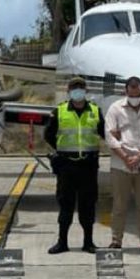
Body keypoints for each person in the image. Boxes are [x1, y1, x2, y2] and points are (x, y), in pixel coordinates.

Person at [43, 77, 105, 254]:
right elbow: (48, 135)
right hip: (66, 165)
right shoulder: (59, 111)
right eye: (74, 88)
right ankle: (62, 242)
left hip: (88, 165)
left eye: (81, 87)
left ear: (86, 90)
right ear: (69, 91)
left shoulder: (95, 111)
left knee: (88, 205)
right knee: (65, 204)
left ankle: (88, 242)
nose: (78, 90)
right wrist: (61, 150)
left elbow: (104, 133)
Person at [105, 76, 140, 253]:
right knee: (119, 205)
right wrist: (125, 157)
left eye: (137, 94)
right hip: (120, 164)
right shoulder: (115, 109)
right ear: (126, 91)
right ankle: (116, 241)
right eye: (131, 93)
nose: (134, 97)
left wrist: (139, 157)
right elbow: (110, 136)